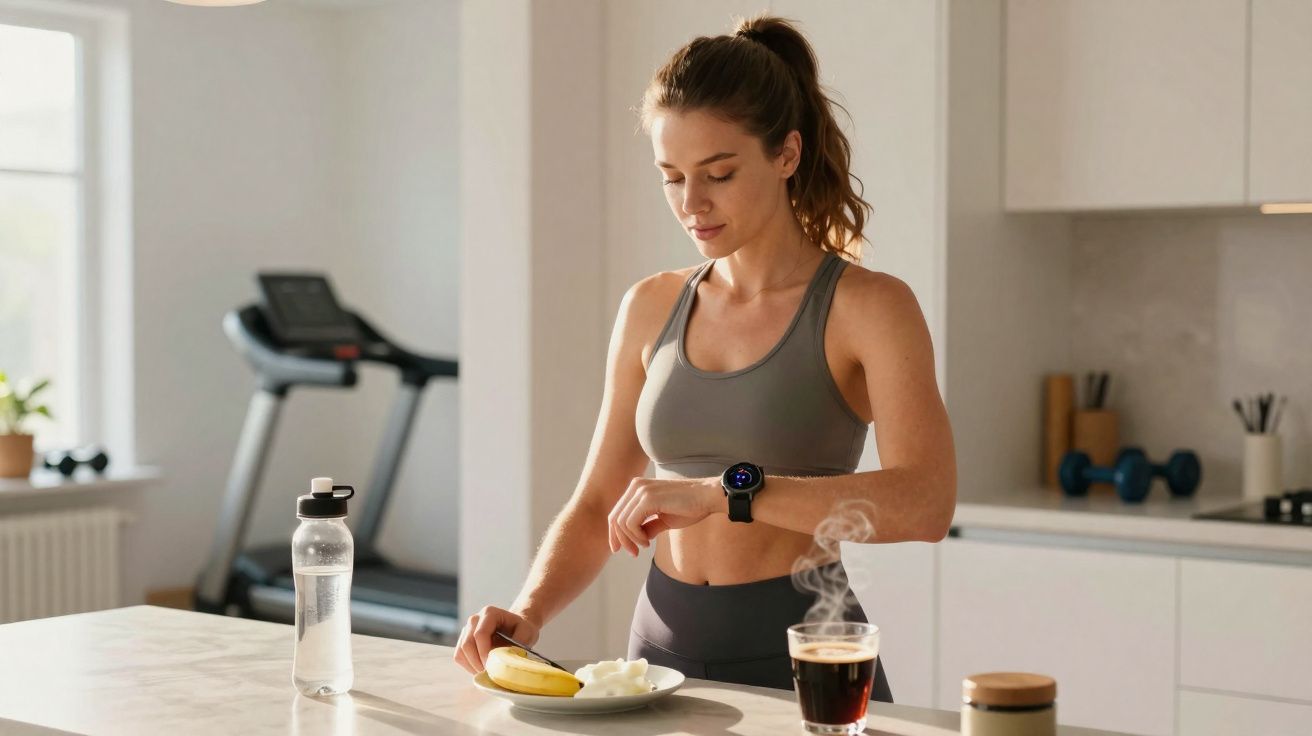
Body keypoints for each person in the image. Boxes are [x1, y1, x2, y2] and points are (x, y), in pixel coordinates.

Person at [454, 13, 956, 699]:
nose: (692, 204)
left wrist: (722, 494)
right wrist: (530, 612)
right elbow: (600, 497)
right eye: (671, 177)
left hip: (804, 654)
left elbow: (925, 503)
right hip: (658, 652)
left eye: (718, 173)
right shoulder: (651, 306)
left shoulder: (868, 307)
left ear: (786, 154)